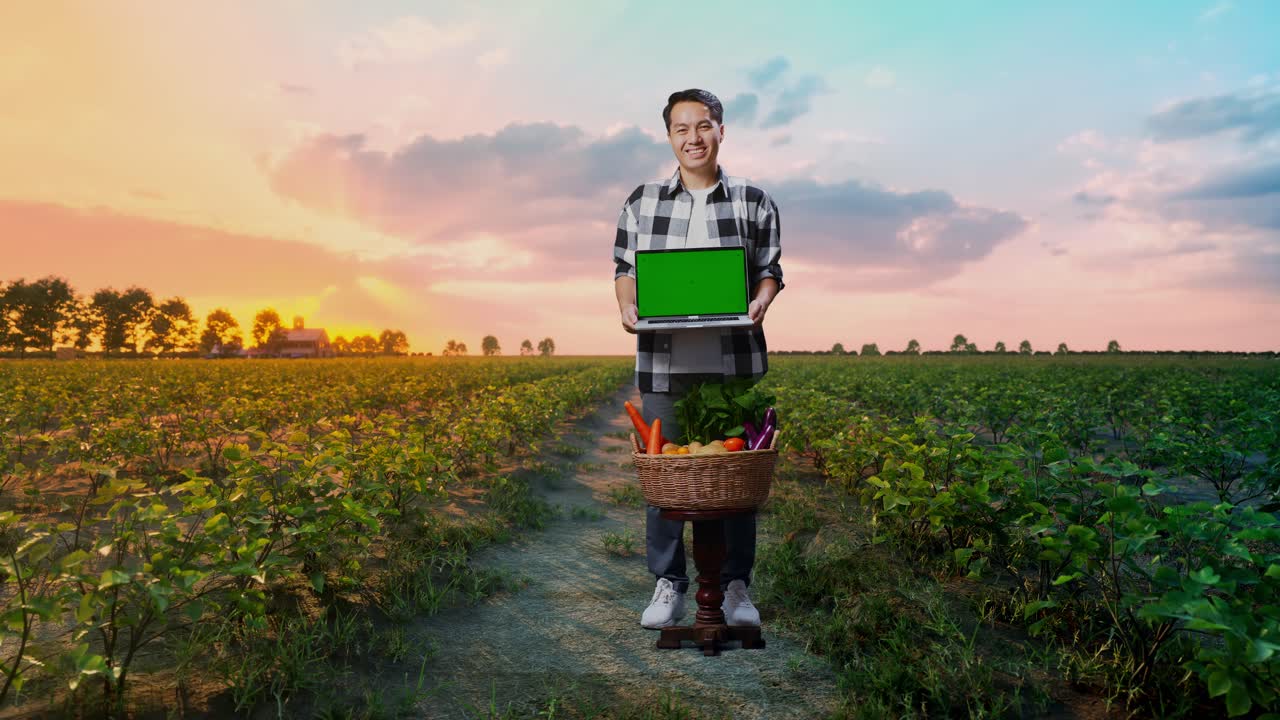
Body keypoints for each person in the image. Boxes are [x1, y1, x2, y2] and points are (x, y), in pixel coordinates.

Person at [612, 88, 783, 629]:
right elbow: (623, 269)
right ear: (669, 137)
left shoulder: (753, 200)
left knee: (734, 479)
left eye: (704, 126)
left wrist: (760, 300)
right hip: (664, 363)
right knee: (663, 478)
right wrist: (627, 306)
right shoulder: (641, 200)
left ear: (721, 131)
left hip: (732, 364)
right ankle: (669, 582)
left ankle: (735, 586)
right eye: (682, 129)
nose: (694, 138)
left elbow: (770, 269)